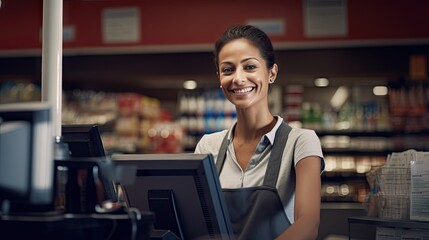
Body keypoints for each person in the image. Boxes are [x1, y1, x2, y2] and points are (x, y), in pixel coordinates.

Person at [194, 25, 325, 240]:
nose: (238, 78)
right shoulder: (208, 146)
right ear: (219, 77)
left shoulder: (301, 142)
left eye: (250, 67)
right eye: (228, 69)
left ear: (271, 72)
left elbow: (308, 225)